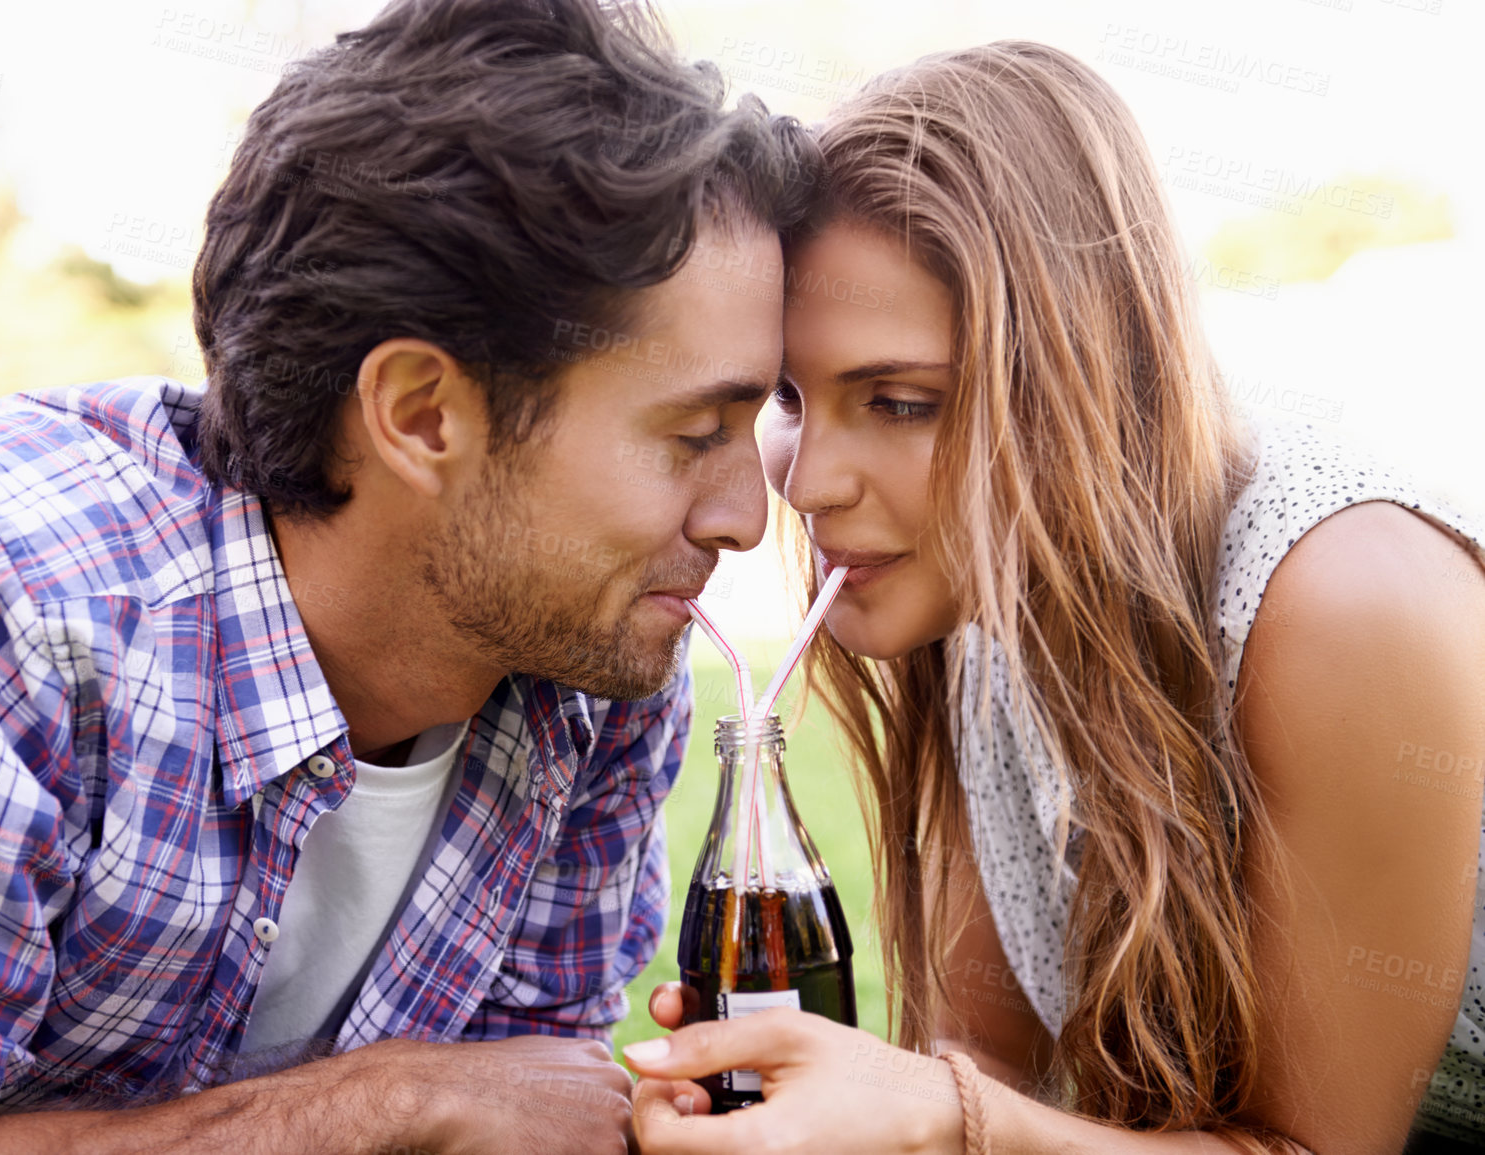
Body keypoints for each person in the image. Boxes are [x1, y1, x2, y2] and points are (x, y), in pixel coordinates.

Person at [0, 1, 819, 1151]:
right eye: (690, 434)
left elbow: (531, 1109)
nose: (746, 520)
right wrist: (389, 1107)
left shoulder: (596, 672)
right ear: (420, 415)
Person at [625, 40, 1485, 1155]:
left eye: (897, 401)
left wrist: (942, 1115)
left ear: (1078, 376)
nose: (807, 480)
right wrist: (826, 1104)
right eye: (793, 394)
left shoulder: (1345, 602)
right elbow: (985, 1060)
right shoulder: (985, 607)